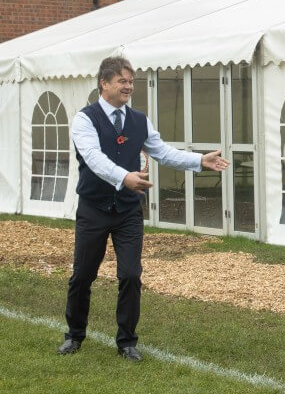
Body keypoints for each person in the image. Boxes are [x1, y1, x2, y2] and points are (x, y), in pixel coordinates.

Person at [57, 56, 230, 361]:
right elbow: (93, 158)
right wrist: (125, 177)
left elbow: (161, 151)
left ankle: (126, 342)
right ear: (105, 84)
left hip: (127, 212)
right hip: (93, 209)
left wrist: (198, 161)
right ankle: (74, 336)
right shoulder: (85, 119)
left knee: (130, 275)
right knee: (83, 275)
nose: (128, 87)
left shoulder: (139, 119)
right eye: (122, 81)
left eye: (131, 82)